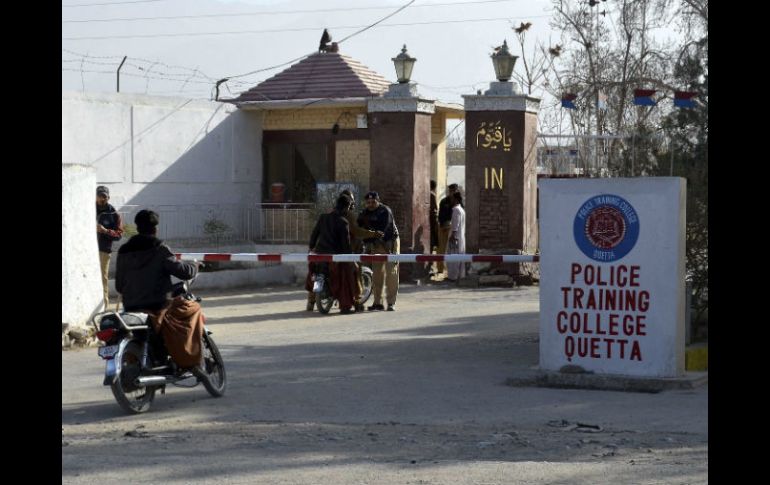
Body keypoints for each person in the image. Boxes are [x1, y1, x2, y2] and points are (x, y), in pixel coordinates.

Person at [115, 209, 206, 377]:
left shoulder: (123, 251)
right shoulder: (159, 248)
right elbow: (183, 272)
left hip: (132, 307)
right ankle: (190, 361)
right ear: (155, 228)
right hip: (158, 307)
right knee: (192, 309)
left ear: (137, 227)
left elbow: (119, 286)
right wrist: (195, 266)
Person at [305, 195, 358, 314]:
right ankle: (345, 306)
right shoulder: (343, 222)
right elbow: (346, 245)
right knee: (346, 275)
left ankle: (310, 303)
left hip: (319, 254)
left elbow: (314, 235)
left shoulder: (323, 217)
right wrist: (350, 259)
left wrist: (311, 247)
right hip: (334, 257)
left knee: (313, 274)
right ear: (346, 207)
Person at [340, 189, 383, 312]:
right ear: (349, 202)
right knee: (356, 272)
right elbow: (357, 231)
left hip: (329, 249)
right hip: (348, 250)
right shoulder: (349, 215)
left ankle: (311, 301)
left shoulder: (332, 213)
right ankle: (357, 301)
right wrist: (373, 234)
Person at [358, 191, 399, 311]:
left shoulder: (385, 211)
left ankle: (391, 302)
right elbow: (359, 228)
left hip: (389, 242)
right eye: (368, 202)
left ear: (378, 201)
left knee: (391, 272)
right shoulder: (364, 213)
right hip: (375, 244)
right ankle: (377, 303)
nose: (370, 204)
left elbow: (384, 229)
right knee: (376, 274)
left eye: (373, 202)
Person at [96, 185, 124, 311]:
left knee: (103, 278)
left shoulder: (114, 214)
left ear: (108, 197)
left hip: (103, 251)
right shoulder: (88, 209)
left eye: (104, 196)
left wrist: (105, 231)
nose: (102, 199)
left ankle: (104, 308)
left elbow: (119, 234)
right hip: (88, 252)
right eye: (100, 196)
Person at [437, 183, 459, 278]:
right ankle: (440, 269)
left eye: (453, 191)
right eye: (450, 191)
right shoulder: (444, 201)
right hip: (443, 227)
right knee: (441, 249)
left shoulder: (458, 202)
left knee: (452, 250)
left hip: (453, 229)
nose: (452, 193)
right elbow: (440, 215)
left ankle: (452, 271)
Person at [446, 191, 466, 282]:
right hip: (460, 237)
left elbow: (455, 225)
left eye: (452, 199)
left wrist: (452, 236)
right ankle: (459, 276)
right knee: (459, 257)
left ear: (456, 199)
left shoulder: (456, 210)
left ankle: (452, 277)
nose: (451, 200)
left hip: (455, 238)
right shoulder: (461, 210)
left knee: (452, 258)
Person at [429, 180, 439, 277]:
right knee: (432, 245)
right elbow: (435, 210)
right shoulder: (432, 195)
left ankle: (430, 266)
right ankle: (431, 266)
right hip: (431, 224)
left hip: (428, 224)